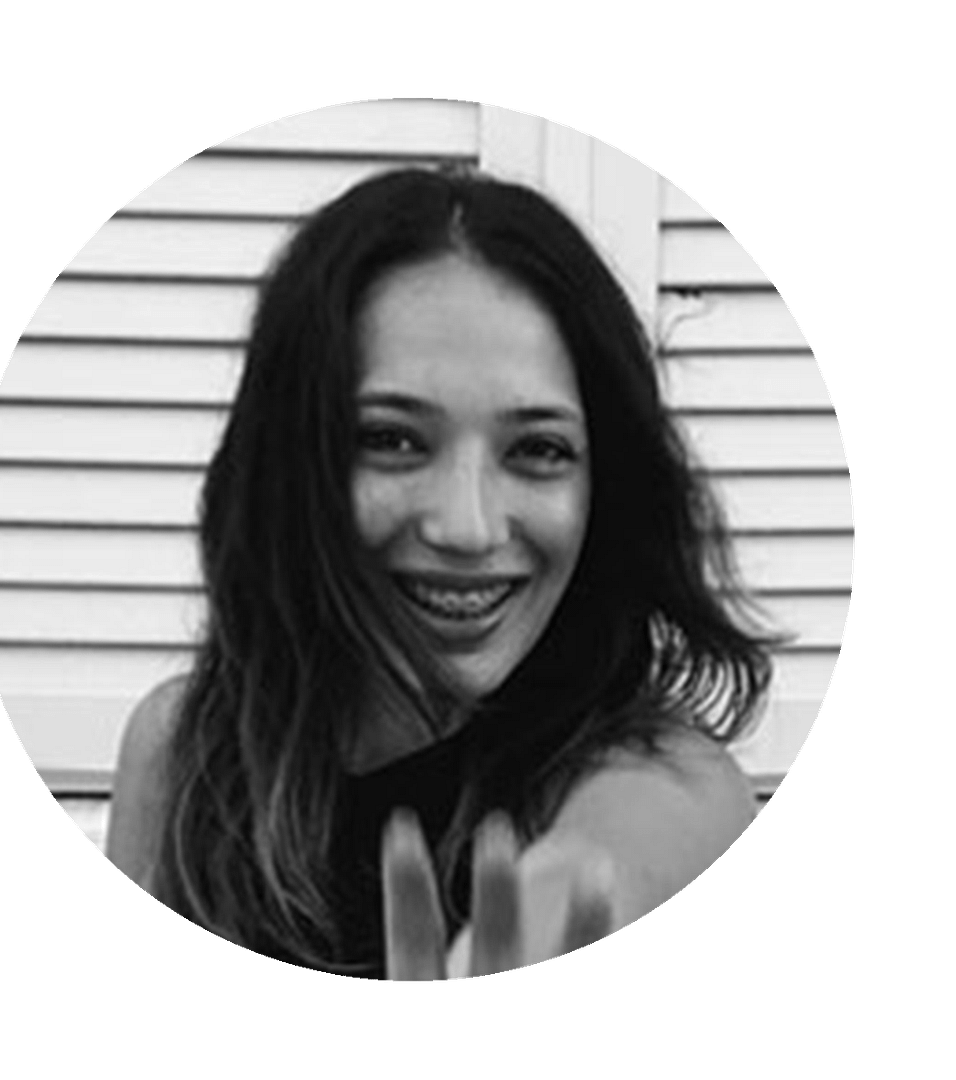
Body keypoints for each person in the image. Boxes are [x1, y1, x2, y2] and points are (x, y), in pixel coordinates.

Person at [105, 164, 776, 980]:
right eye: (392, 440)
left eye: (538, 450)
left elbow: (603, 873)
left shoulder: (676, 789)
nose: (468, 528)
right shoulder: (181, 748)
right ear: (294, 461)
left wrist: (541, 923)